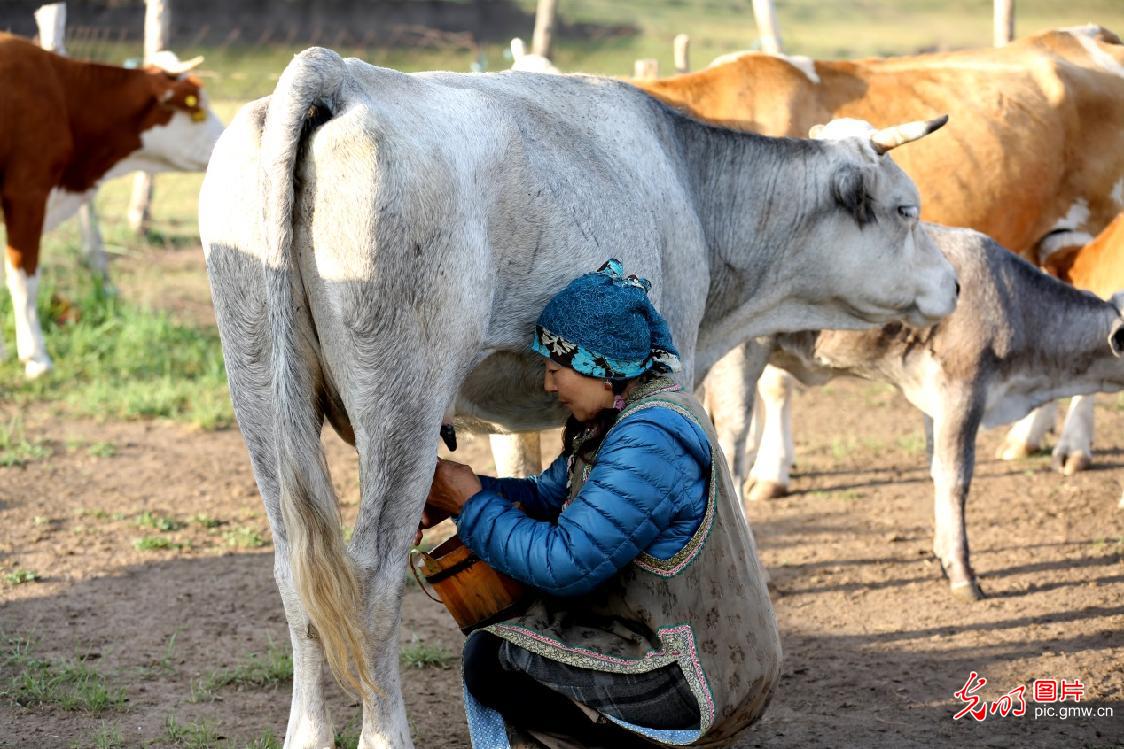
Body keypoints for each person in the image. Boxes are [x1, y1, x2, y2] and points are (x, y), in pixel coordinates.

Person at [420, 259, 781, 749]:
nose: (549, 386)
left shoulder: (650, 440)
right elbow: (549, 496)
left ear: (598, 366)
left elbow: (565, 562)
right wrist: (459, 493)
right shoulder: (626, 419)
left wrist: (470, 505)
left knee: (494, 656)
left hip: (694, 676)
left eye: (555, 369)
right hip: (683, 649)